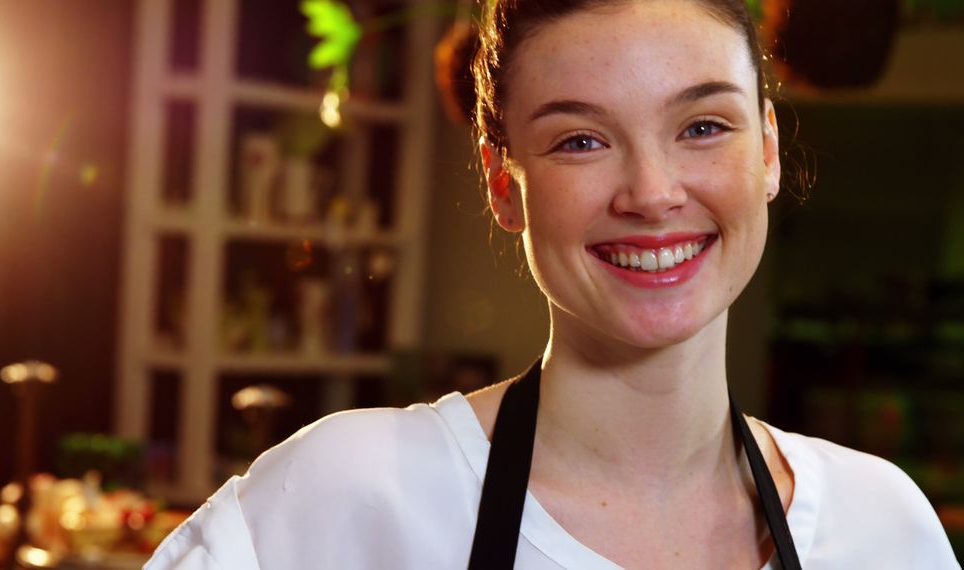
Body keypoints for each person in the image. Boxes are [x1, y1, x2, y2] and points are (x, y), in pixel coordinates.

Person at [145, 1, 959, 568]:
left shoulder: (879, 525)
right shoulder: (352, 495)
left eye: (702, 127)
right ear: (506, 189)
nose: (652, 192)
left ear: (769, 151)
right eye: (579, 140)